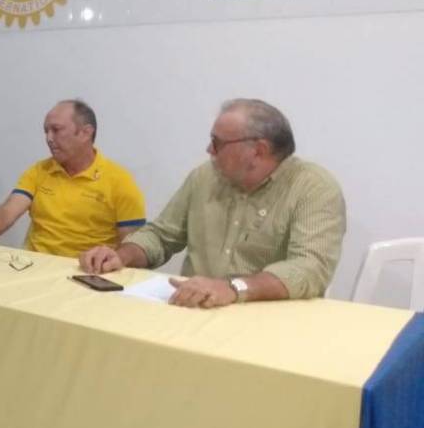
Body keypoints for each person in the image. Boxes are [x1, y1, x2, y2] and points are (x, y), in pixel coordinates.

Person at [80, 98, 346, 308]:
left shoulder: (314, 187)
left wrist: (233, 289)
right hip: (192, 309)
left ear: (259, 150)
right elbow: (161, 235)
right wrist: (121, 255)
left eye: (217, 143)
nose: (209, 150)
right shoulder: (204, 177)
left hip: (266, 322)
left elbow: (309, 269)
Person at [0, 100, 145, 257]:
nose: (49, 138)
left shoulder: (119, 181)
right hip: (34, 267)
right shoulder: (39, 171)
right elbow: (7, 211)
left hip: (87, 274)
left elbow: (133, 246)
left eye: (56, 130)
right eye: (46, 131)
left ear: (86, 133)